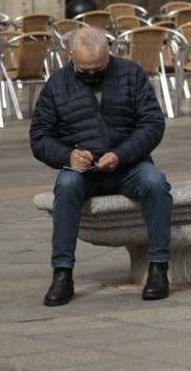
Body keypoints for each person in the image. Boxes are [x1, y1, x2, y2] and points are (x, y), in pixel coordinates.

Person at [29, 27, 172, 306]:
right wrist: (68, 156)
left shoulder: (131, 74)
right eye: (86, 70)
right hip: (84, 170)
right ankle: (62, 273)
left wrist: (120, 154)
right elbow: (40, 137)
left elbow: (152, 124)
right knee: (66, 186)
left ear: (109, 54)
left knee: (155, 182)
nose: (93, 74)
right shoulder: (57, 85)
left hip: (129, 165)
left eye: (100, 68)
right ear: (71, 56)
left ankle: (158, 267)